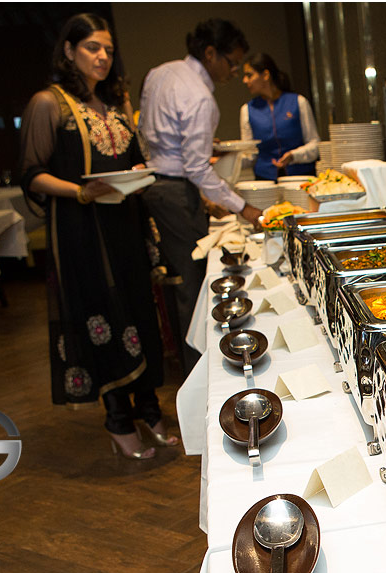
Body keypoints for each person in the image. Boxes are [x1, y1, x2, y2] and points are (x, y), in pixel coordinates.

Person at [19, 12, 178, 460]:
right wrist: (81, 192)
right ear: (69, 50)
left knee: (140, 312)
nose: (103, 57)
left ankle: (148, 409)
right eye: (92, 47)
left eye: (108, 49)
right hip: (82, 230)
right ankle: (117, 419)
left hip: (125, 224)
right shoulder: (49, 104)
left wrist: (133, 174)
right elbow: (32, 174)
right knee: (102, 315)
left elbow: (131, 158)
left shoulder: (117, 103)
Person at [139, 18, 262, 373]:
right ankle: (201, 374)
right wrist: (243, 207)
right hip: (177, 194)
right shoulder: (201, 98)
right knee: (192, 292)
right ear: (210, 53)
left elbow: (156, 137)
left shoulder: (160, 73)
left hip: (155, 185)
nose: (234, 70)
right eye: (232, 61)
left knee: (180, 284)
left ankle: (192, 365)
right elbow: (196, 169)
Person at [239, 53, 321, 181]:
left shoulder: (298, 102)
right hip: (265, 181)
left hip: (301, 178)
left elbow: (315, 144)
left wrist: (294, 155)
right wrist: (225, 159)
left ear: (266, 75)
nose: (244, 81)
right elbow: (250, 155)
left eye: (249, 75)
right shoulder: (247, 110)